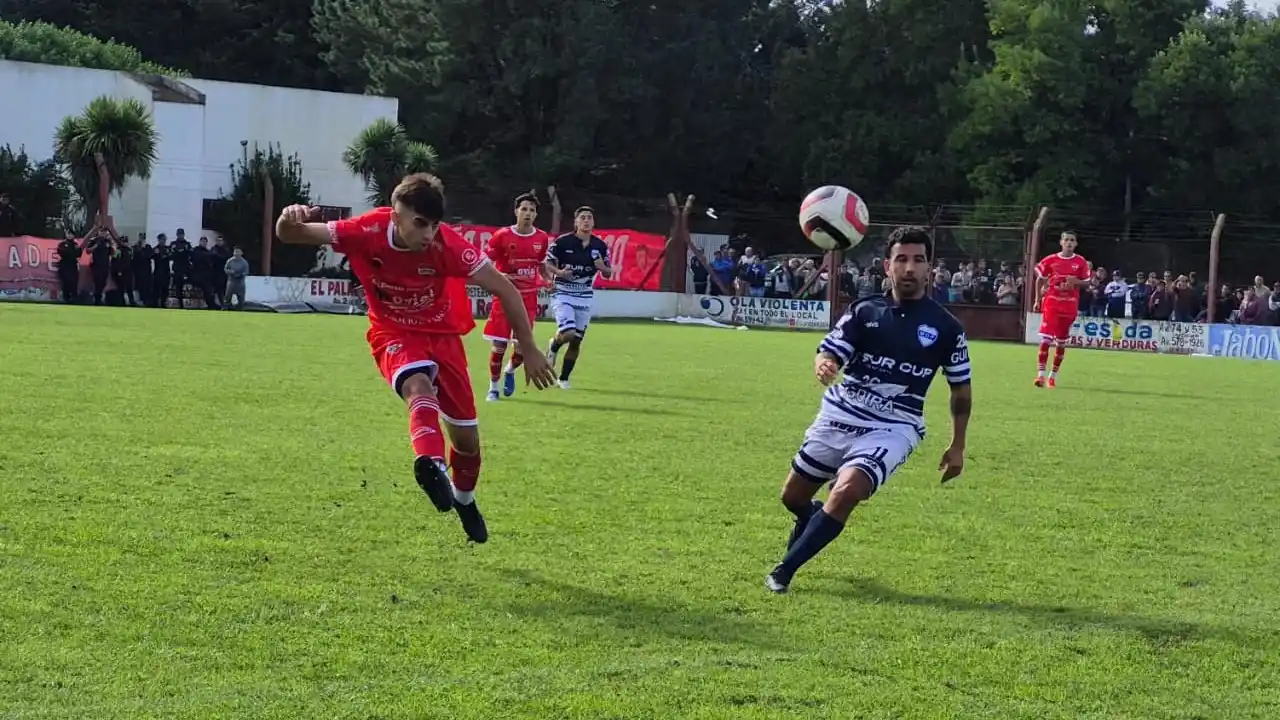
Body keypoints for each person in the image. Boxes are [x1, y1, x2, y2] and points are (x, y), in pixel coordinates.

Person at [275, 173, 557, 544]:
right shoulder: (364, 230)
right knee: (418, 385)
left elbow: (504, 288)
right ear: (395, 216)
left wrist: (530, 347)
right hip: (393, 332)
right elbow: (291, 234)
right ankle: (431, 463)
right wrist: (287, 218)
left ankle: (464, 500)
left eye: (434, 225)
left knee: (468, 442)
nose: (428, 233)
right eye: (419, 223)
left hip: (443, 337)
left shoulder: (449, 246)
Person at [764, 226, 972, 594]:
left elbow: (960, 389)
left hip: (895, 425)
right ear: (887, 266)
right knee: (792, 498)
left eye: (918, 260)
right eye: (901, 259)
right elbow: (831, 351)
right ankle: (809, 518)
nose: (910, 268)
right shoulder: (864, 311)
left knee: (847, 491)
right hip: (840, 414)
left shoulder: (947, 327)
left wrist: (957, 445)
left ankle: (784, 570)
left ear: (929, 268)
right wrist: (824, 363)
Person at [482, 192, 553, 401]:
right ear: (516, 212)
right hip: (504, 297)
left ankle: (510, 370)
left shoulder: (541, 238)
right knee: (499, 345)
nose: (527, 213)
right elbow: (485, 261)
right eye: (524, 209)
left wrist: (548, 280)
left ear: (536, 214)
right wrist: (498, 276)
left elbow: (541, 266)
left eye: (531, 210)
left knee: (523, 347)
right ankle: (493, 388)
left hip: (528, 299)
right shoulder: (502, 235)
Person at [543, 206, 617, 389]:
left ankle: (564, 379)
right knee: (568, 333)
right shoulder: (563, 242)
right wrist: (559, 272)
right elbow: (548, 263)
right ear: (576, 222)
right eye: (582, 218)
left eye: (589, 218)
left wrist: (601, 266)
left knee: (576, 340)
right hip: (563, 292)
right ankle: (554, 345)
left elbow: (608, 273)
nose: (586, 221)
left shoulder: (600, 246)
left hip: (584, 295)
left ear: (593, 222)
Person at [1032, 230, 1091, 387]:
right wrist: (1038, 299)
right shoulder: (1051, 259)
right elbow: (1040, 278)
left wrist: (1075, 282)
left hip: (1069, 305)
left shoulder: (1081, 262)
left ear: (1076, 244)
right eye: (1066, 240)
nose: (1069, 243)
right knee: (1045, 338)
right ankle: (1040, 376)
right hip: (1051, 303)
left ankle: (1053, 376)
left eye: (1072, 240)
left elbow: (1087, 282)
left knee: (1061, 342)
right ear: (1061, 242)